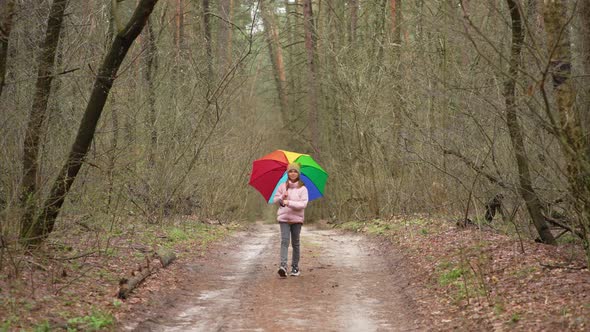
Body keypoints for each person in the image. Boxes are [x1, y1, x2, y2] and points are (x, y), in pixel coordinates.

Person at [273, 162, 309, 278]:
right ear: (287, 173)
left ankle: (295, 267)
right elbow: (275, 200)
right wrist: (281, 198)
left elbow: (303, 204)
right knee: (284, 241)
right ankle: (283, 266)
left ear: (298, 173)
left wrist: (289, 202)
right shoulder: (282, 186)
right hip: (284, 218)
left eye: (295, 171)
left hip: (297, 220)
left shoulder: (303, 188)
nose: (292, 173)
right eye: (290, 171)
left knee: (295, 243)